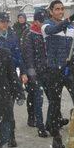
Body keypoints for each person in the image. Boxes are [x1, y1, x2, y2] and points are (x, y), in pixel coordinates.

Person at [42, 0, 74, 148]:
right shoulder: (46, 25)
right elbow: (54, 30)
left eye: (62, 9)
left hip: (69, 70)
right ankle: (55, 134)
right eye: (57, 9)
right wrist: (70, 18)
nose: (60, 11)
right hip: (54, 70)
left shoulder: (71, 28)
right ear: (51, 11)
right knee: (54, 102)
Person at [0, 12, 23, 148]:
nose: (5, 24)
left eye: (7, 21)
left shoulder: (12, 35)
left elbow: (18, 53)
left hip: (10, 74)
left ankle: (11, 135)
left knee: (9, 108)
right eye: (2, 21)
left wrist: (20, 69)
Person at [22, 8, 49, 138]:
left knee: (52, 99)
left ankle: (51, 122)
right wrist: (31, 72)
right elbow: (28, 55)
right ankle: (40, 125)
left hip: (48, 70)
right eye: (41, 22)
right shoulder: (29, 34)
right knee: (38, 99)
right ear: (36, 21)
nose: (44, 24)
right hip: (36, 72)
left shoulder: (47, 32)